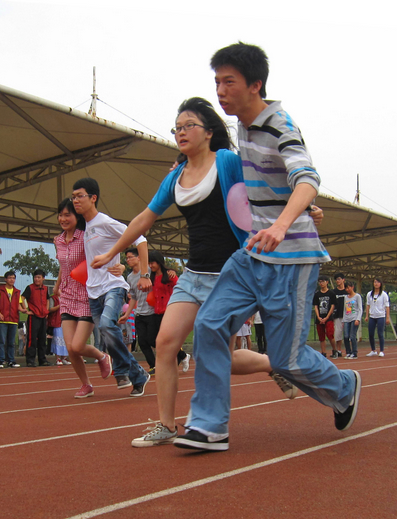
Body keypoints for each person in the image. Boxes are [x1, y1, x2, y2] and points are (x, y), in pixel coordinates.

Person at [169, 42, 361, 450]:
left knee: (287, 358)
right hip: (251, 255)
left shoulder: (280, 126)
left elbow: (306, 177)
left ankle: (343, 386)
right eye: (216, 81)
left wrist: (285, 222)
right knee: (208, 324)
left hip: (292, 259)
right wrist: (185, 162)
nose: (220, 90)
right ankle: (208, 426)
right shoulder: (241, 124)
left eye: (229, 82)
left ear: (255, 85)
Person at [93, 96, 312, 447]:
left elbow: (263, 186)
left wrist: (305, 206)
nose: (180, 132)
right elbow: (145, 218)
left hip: (228, 276)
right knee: (165, 344)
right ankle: (167, 425)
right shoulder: (176, 177)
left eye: (187, 126)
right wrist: (112, 251)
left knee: (218, 358)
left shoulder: (226, 161)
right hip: (193, 275)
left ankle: (272, 364)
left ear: (208, 132)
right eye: (176, 128)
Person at [72, 177, 151, 397]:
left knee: (107, 325)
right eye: (73, 197)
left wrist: (144, 274)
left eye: (80, 196)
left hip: (113, 287)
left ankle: (123, 370)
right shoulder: (86, 227)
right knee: (107, 335)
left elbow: (141, 240)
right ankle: (137, 374)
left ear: (93, 197)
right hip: (93, 292)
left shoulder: (105, 222)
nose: (76, 200)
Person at [52, 197, 117, 398]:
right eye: (60, 215)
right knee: (70, 349)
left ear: (76, 216)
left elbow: (106, 253)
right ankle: (86, 385)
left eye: (67, 214)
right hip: (67, 296)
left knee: (78, 345)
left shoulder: (86, 236)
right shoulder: (58, 240)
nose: (63, 218)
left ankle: (101, 356)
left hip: (88, 294)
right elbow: (64, 266)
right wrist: (57, 286)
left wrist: (118, 266)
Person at [0, 271, 27, 368]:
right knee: (2, 341)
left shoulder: (17, 292)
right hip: (3, 319)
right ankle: (1, 360)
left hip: (13, 319)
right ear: (5, 279)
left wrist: (23, 310)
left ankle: (11, 360)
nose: (12, 280)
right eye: (10, 278)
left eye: (13, 278)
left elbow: (18, 305)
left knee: (11, 342)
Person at [23, 269, 51, 367]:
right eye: (35, 277)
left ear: (43, 278)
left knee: (43, 338)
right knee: (32, 339)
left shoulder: (45, 288)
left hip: (43, 316)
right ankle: (30, 360)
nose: (37, 279)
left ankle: (42, 359)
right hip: (34, 316)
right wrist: (26, 310)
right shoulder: (30, 288)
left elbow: (48, 299)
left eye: (39, 277)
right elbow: (22, 298)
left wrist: (47, 310)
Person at [365, 278, 390, 357]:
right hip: (372, 316)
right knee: (371, 334)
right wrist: (366, 316)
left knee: (380, 333)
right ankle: (373, 350)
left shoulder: (384, 294)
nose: (376, 283)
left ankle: (381, 350)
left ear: (380, 284)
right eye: (375, 282)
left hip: (380, 316)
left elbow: (387, 306)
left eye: (378, 282)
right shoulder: (369, 294)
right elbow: (368, 305)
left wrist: (387, 317)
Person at [312, 276, 335, 358]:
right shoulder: (317, 294)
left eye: (323, 281)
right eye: (320, 282)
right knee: (321, 336)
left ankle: (334, 349)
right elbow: (316, 306)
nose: (321, 283)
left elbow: (332, 306)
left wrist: (327, 317)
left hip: (328, 317)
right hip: (320, 317)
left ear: (327, 282)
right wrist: (318, 317)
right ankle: (323, 352)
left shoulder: (331, 293)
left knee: (330, 334)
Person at [342, 280, 362, 359]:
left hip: (354, 318)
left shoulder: (357, 296)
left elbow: (360, 308)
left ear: (352, 287)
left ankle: (354, 352)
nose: (347, 289)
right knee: (346, 336)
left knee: (352, 336)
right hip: (347, 318)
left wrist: (358, 319)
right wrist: (343, 320)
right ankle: (348, 352)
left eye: (348, 288)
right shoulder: (345, 297)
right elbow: (345, 309)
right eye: (346, 288)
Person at [331, 273, 347, 358]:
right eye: (336, 279)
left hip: (347, 315)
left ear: (343, 280)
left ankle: (349, 350)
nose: (338, 281)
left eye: (339, 279)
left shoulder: (347, 291)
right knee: (338, 333)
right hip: (337, 315)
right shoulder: (334, 292)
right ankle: (339, 350)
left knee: (348, 334)